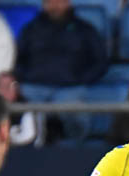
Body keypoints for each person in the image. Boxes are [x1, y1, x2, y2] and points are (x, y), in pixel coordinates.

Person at [13, 0, 108, 142]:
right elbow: (17, 58)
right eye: (50, 2)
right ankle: (31, 146)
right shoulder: (31, 29)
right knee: (21, 108)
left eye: (59, 1)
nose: (55, 6)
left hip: (70, 88)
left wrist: (81, 79)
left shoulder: (85, 30)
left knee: (76, 114)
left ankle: (74, 150)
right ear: (44, 5)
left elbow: (100, 61)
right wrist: (26, 77)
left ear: (68, 3)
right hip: (34, 87)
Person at [0, 70, 37, 147]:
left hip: (21, 151)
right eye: (1, 86)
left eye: (9, 86)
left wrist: (7, 139)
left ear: (17, 89)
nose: (5, 91)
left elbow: (29, 136)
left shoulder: (26, 107)